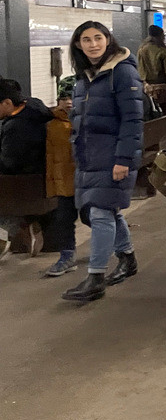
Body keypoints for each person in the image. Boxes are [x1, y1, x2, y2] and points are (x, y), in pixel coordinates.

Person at [61, 21, 143, 302]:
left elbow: (133, 120)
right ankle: (127, 258)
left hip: (113, 156)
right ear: (78, 44)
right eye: (86, 39)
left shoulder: (122, 72)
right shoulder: (86, 76)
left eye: (98, 38)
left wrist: (123, 159)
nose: (93, 44)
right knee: (107, 210)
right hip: (89, 156)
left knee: (99, 213)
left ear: (109, 40)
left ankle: (95, 277)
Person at [0, 78, 54, 257]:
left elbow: (9, 164)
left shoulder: (17, 126)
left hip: (26, 182)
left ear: (7, 102)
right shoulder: (34, 106)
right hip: (40, 176)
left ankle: (8, 235)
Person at [45, 76, 78, 276]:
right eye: (63, 97)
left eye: (72, 96)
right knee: (64, 220)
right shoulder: (52, 124)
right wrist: (51, 185)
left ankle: (119, 249)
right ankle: (67, 256)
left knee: (93, 217)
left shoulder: (87, 120)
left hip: (86, 181)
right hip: (64, 183)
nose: (67, 101)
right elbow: (50, 157)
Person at [137, 25, 166, 117]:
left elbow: (140, 69)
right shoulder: (162, 50)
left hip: (147, 88)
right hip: (163, 88)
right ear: (160, 35)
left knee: (151, 114)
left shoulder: (142, 49)